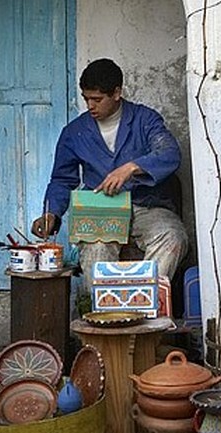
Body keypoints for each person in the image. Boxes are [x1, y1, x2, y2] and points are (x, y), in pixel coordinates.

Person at [30, 58, 188, 291]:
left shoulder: (145, 119)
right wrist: (51, 213)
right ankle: (105, 314)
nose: (90, 106)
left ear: (116, 93)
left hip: (148, 206)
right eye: (86, 99)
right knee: (95, 248)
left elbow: (170, 153)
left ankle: (142, 302)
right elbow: (63, 179)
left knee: (173, 237)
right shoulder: (74, 132)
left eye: (97, 99)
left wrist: (131, 167)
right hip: (102, 209)